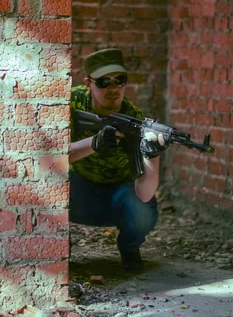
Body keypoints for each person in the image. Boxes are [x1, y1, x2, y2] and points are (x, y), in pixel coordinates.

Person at [69, 48, 167, 272]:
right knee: (50, 182)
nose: (113, 89)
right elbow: (50, 158)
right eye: (104, 82)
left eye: (119, 80)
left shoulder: (135, 120)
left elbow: (144, 193)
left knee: (143, 213)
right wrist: (94, 143)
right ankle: (58, 247)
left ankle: (130, 248)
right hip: (78, 191)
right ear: (88, 83)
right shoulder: (71, 102)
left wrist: (153, 155)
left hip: (118, 198)